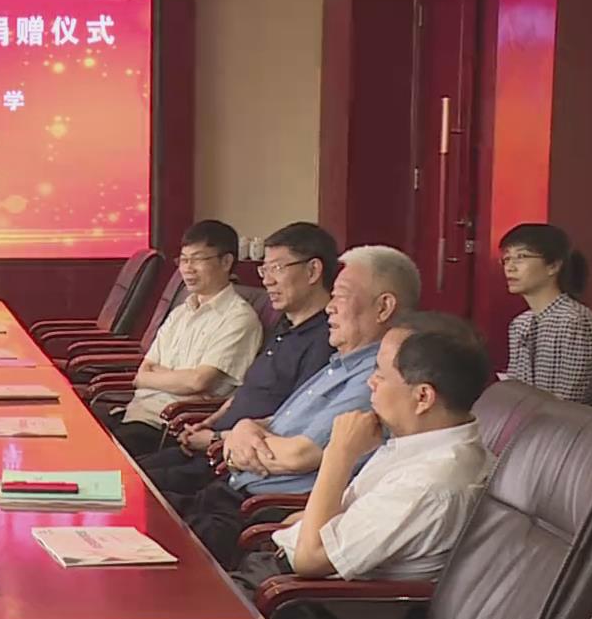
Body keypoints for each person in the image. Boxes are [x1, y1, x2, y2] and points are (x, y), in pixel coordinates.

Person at [171, 245, 421, 568]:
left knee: (143, 530)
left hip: (258, 511)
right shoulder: (340, 363)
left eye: (340, 296)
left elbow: (300, 455)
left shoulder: (375, 379)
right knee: (127, 501)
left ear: (383, 307)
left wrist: (236, 441)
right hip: (228, 490)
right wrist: (243, 428)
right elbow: (278, 423)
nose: (329, 307)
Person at [235, 312, 493, 589]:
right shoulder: (421, 440)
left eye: (380, 373)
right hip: (276, 567)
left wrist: (339, 453)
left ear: (422, 397)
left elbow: (310, 559)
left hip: (300, 596)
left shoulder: (428, 483)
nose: (371, 382)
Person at [136, 222, 338, 495]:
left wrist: (216, 437)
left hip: (235, 464)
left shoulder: (327, 340)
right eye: (264, 269)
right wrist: (211, 421)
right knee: (123, 472)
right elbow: (250, 389)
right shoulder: (285, 326)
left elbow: (295, 419)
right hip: (210, 445)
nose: (267, 280)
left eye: (277, 268)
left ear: (313, 270)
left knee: (133, 489)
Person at [94, 220, 262, 454]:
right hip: (133, 412)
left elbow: (197, 382)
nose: (188, 268)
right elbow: (141, 375)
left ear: (226, 262)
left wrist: (163, 376)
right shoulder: (181, 312)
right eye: (184, 260)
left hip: (167, 427)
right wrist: (180, 379)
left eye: (198, 259)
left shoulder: (238, 318)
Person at [500, 223, 592, 406]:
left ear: (553, 266)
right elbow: (515, 389)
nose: (510, 267)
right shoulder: (520, 324)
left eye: (521, 257)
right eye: (506, 259)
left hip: (574, 421)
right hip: (532, 417)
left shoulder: (574, 321)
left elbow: (568, 403)